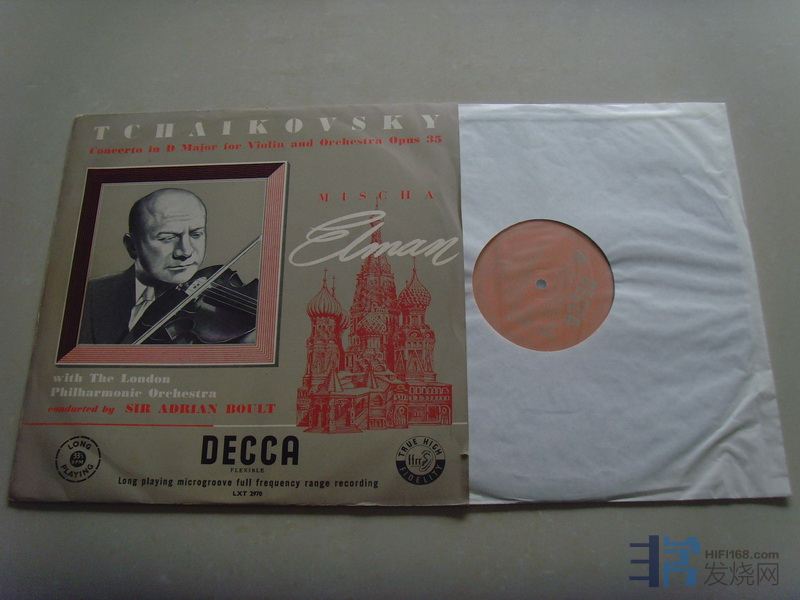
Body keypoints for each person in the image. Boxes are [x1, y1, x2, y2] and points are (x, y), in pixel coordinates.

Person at [79, 188, 223, 344]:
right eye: (167, 238)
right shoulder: (89, 297)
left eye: (196, 234)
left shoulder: (221, 316)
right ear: (132, 246)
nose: (186, 251)